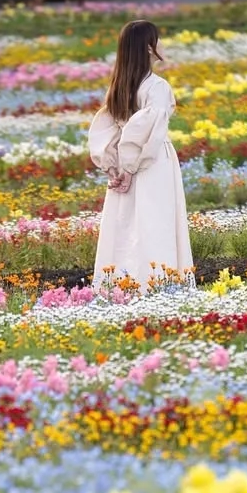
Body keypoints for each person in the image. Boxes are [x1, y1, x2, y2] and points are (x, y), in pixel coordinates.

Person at [88, 19, 194, 291]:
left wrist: (115, 167)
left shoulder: (118, 87)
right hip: (152, 161)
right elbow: (146, 131)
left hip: (128, 161)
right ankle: (158, 283)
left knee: (125, 224)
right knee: (155, 221)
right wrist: (131, 168)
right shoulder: (156, 87)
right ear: (149, 47)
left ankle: (123, 283)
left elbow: (107, 130)